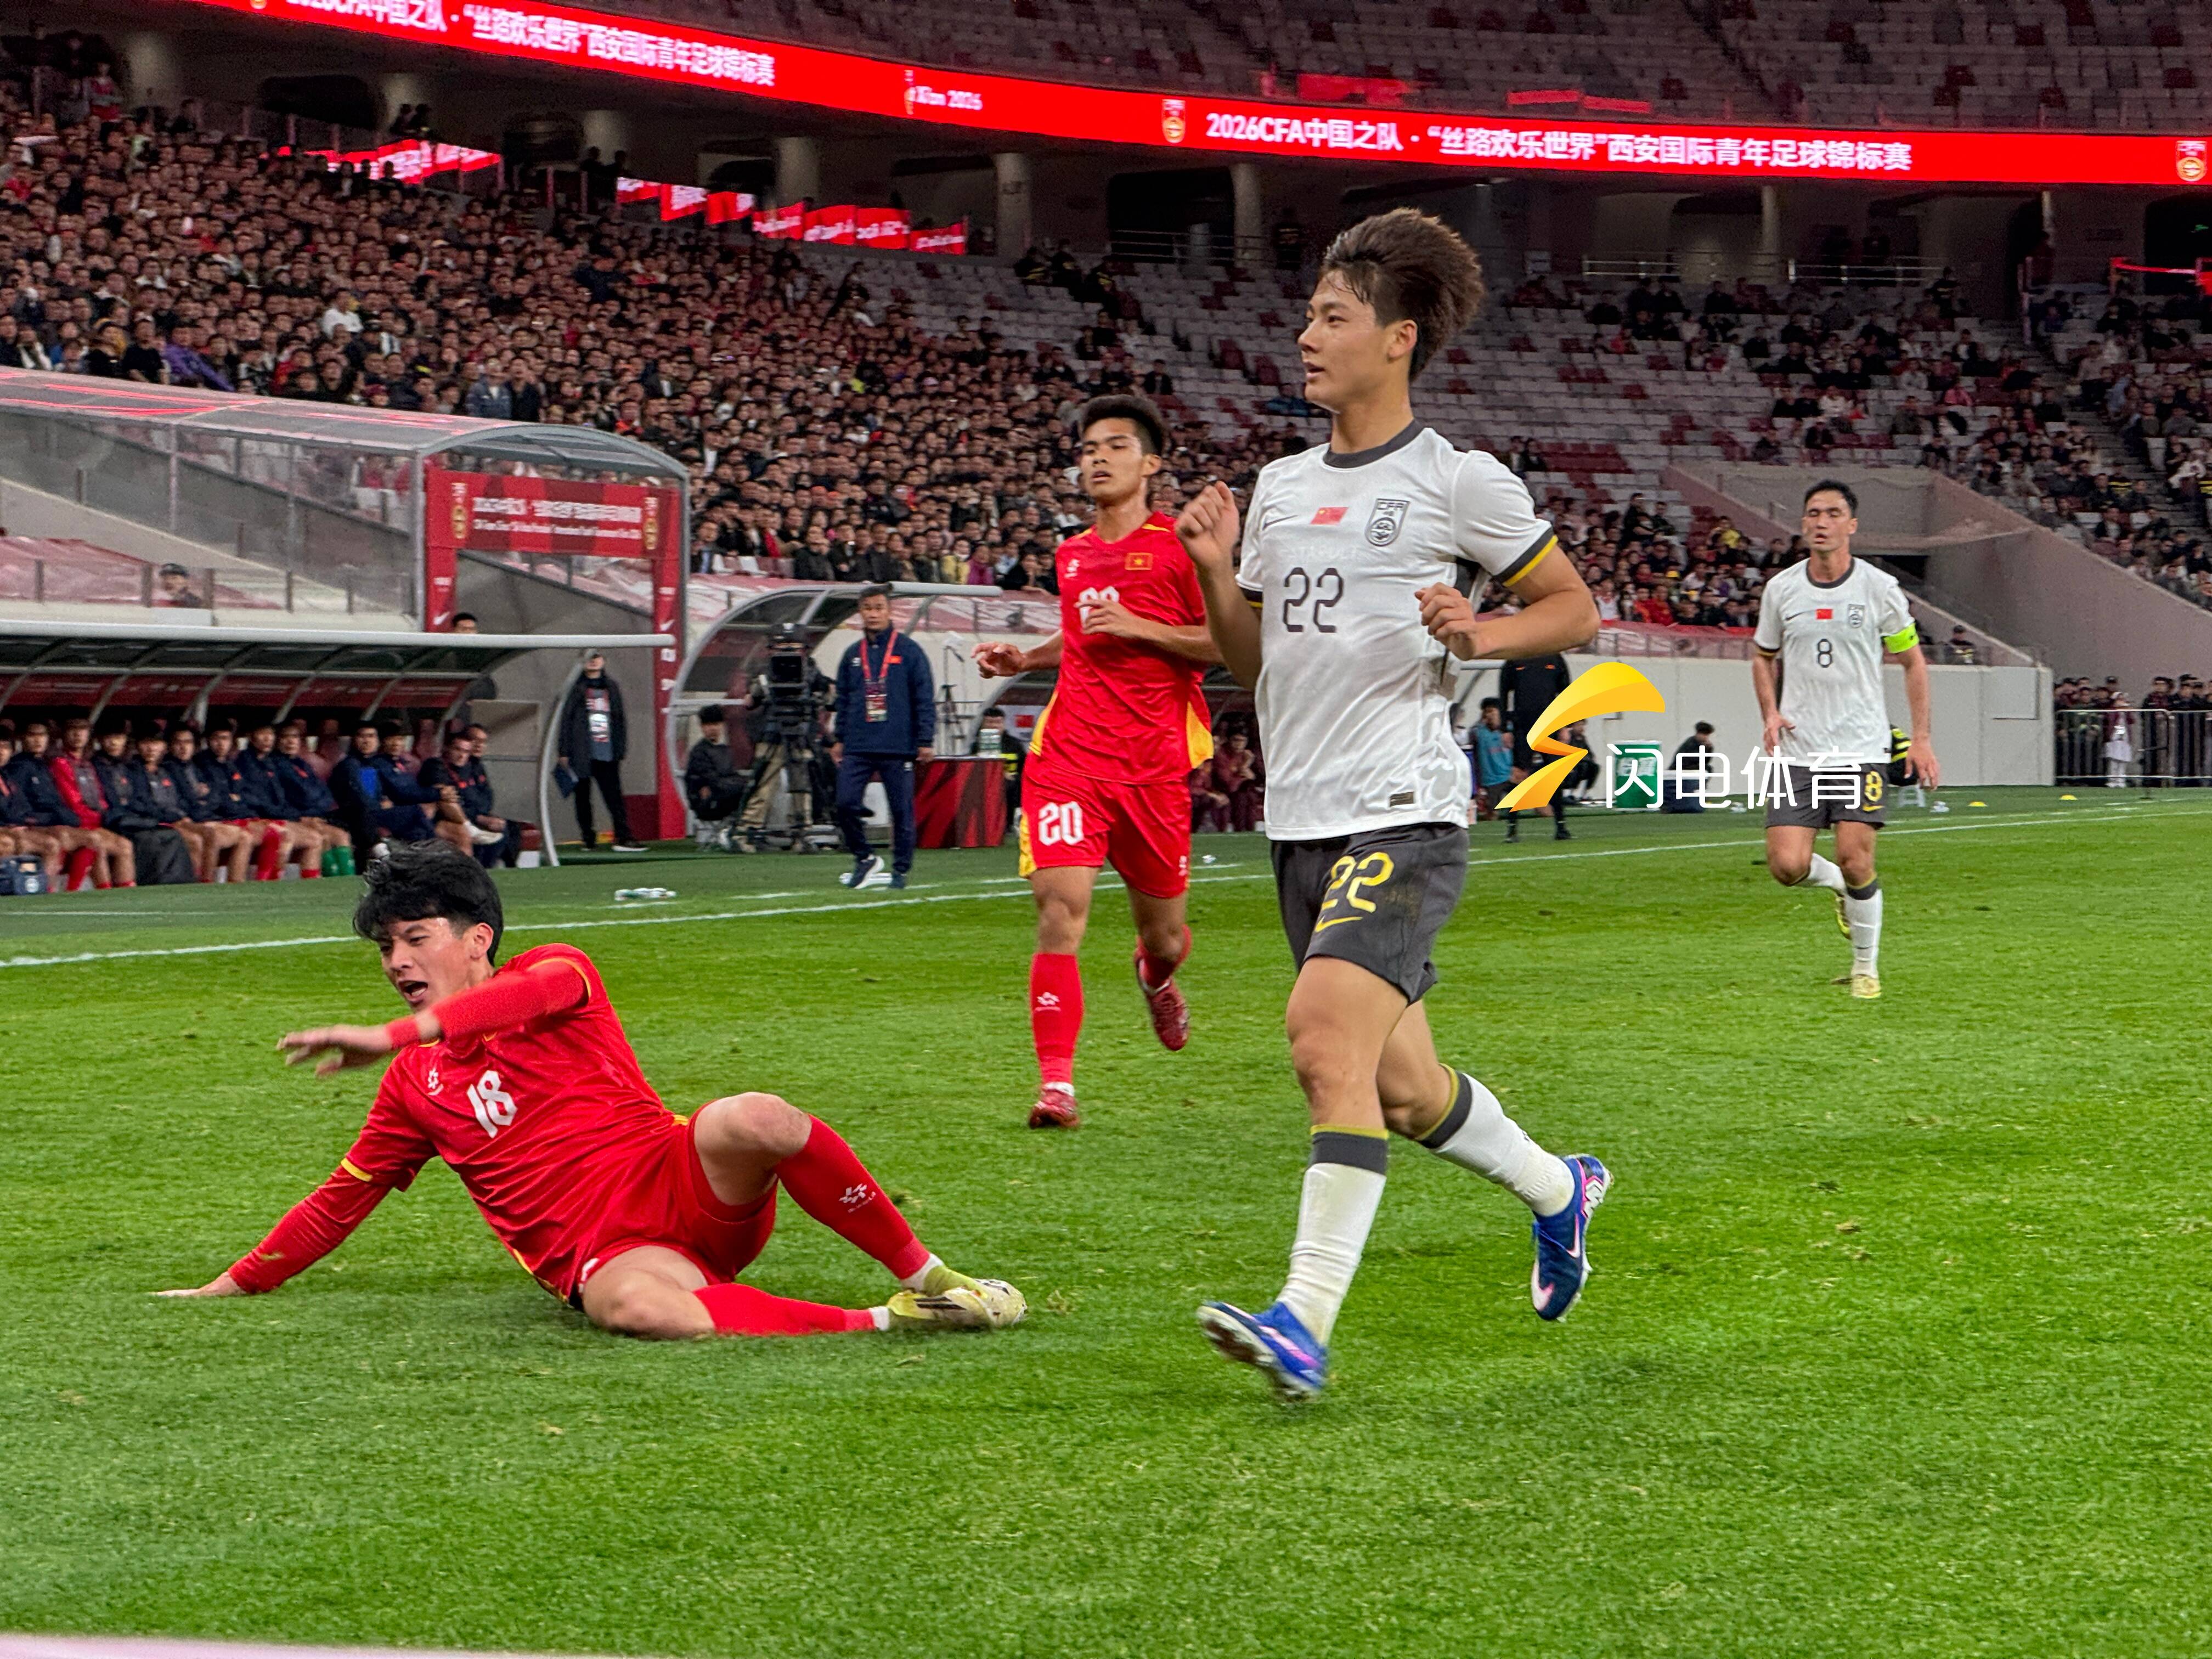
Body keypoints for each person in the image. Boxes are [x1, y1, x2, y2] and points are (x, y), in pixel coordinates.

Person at [1177, 207, 1610, 1401]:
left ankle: (1303, 1319)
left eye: (1332, 317)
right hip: (1300, 819)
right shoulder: (1277, 486)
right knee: (1407, 1091)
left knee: (1323, 1039)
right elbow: (1255, 663)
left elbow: (1573, 609)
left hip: (1404, 809)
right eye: (1309, 315)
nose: (1307, 336)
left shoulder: (1455, 479)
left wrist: (1481, 632)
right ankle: (1561, 1189)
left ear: (1398, 337)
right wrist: (1215, 573)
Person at [158, 844, 1024, 1340]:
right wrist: (230, 1286)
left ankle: (932, 1273)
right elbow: (339, 1201)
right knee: (636, 1310)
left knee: (759, 1115)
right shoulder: (414, 1086)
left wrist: (389, 1034)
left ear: (478, 940)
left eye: (415, 938)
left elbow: (512, 1002)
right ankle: (895, 1318)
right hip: (609, 1256)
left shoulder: (555, 972)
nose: (397, 962)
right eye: (386, 948)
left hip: (682, 1180)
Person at [972, 394, 1219, 1128]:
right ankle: (1057, 1088)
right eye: (1087, 450)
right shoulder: (1072, 553)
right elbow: (1082, 634)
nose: (1098, 459)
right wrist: (1027, 658)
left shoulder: (1182, 548)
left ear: (1151, 464)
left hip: (1153, 769)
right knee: (1059, 913)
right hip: (1069, 758)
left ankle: (1155, 978)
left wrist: (1141, 626)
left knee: (1166, 938)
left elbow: (1225, 643)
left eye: (1115, 446)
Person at [1752, 480, 1939, 1001]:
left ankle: (1864, 968)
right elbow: (1763, 656)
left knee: (1857, 857)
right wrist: (1770, 712)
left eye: (1833, 513)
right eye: (1814, 513)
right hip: (1799, 750)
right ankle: (1835, 885)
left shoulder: (1879, 589)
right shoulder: (1782, 590)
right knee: (1787, 867)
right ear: (1803, 523)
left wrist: (1921, 738)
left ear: (1851, 525)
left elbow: (1913, 663)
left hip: (1860, 748)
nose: (1822, 522)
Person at [832, 588, 934, 890]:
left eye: (878, 608)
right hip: (858, 743)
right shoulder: (853, 655)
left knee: (901, 811)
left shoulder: (909, 651)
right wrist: (840, 737)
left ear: (890, 612)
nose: (873, 614)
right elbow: (843, 699)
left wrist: (925, 739)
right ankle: (864, 857)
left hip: (898, 744)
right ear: (860, 613)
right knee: (845, 803)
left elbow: (924, 698)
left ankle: (900, 870)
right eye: (867, 608)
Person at [558, 651, 645, 853]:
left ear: (604, 660)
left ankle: (623, 836)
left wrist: (620, 748)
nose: (593, 661)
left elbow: (620, 719)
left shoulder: (611, 686)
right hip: (581, 752)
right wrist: (563, 751)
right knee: (583, 798)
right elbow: (565, 720)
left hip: (607, 752)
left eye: (597, 656)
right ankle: (588, 838)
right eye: (589, 657)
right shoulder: (574, 687)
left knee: (614, 797)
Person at [163, 725, 258, 883]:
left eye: (188, 742)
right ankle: (206, 883)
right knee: (211, 835)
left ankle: (236, 885)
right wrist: (203, 805)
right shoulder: (169, 768)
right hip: (186, 819)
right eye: (178, 743)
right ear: (170, 746)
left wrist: (205, 805)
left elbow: (215, 796)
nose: (183, 747)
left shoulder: (196, 768)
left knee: (245, 837)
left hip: (206, 815)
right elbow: (185, 801)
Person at [1499, 649, 1574, 841]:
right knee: (1519, 775)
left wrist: (1567, 726)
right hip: (1522, 727)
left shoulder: (1555, 658)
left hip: (1550, 725)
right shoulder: (1515, 658)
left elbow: (1566, 694)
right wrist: (1504, 728)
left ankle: (1561, 827)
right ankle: (1512, 830)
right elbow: (1503, 695)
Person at [419, 730, 521, 867]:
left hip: (473, 815)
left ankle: (504, 868)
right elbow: (446, 799)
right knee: (461, 825)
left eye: (466, 752)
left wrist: (483, 816)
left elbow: (486, 796)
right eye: (457, 750)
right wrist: (478, 818)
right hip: (444, 819)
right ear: (446, 749)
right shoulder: (435, 765)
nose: (462, 756)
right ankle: (475, 868)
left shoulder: (471, 768)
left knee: (507, 828)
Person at [684, 704, 746, 834]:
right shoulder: (699, 752)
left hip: (722, 797)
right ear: (702, 727)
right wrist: (743, 785)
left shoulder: (726, 750)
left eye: (716, 724)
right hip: (709, 803)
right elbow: (714, 781)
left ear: (722, 725)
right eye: (708, 725)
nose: (712, 728)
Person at [1469, 698, 1513, 820]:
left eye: (1491, 711)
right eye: (1486, 712)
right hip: (1492, 780)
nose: (1489, 715)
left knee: (1542, 807)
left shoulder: (1510, 729)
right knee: (1492, 816)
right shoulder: (1479, 732)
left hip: (1511, 775)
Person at [1662, 721, 1718, 812]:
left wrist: (1709, 749)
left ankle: (1701, 790)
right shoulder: (1690, 743)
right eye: (1704, 735)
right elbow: (1690, 760)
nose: (1706, 738)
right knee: (1705, 769)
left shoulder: (1705, 745)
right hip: (1681, 768)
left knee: (1708, 769)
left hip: (1694, 769)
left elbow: (1706, 761)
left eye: (1707, 735)